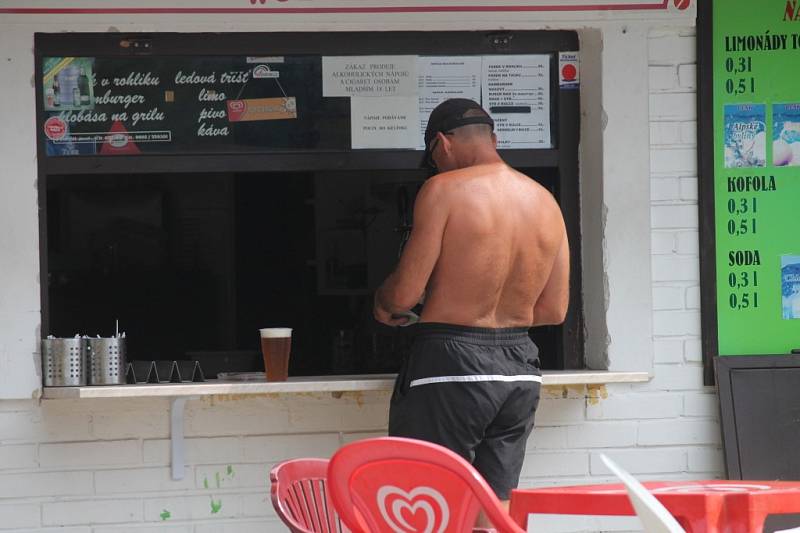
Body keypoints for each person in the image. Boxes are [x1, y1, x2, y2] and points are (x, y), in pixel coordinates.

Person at [373, 98, 570, 515]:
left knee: (426, 506)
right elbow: (554, 310)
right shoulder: (546, 202)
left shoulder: (443, 190)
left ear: (441, 144)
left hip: (450, 366)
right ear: (494, 139)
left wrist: (383, 302)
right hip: (519, 370)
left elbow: (405, 295)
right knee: (492, 512)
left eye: (434, 157)